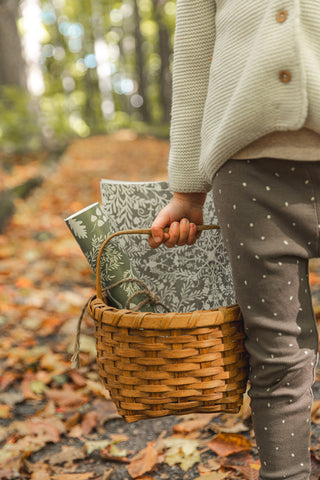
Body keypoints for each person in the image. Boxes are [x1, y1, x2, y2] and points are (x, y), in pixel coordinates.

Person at [148, 1, 320, 479]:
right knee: (278, 353)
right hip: (249, 170)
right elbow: (192, 65)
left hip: (251, 173)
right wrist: (186, 190)